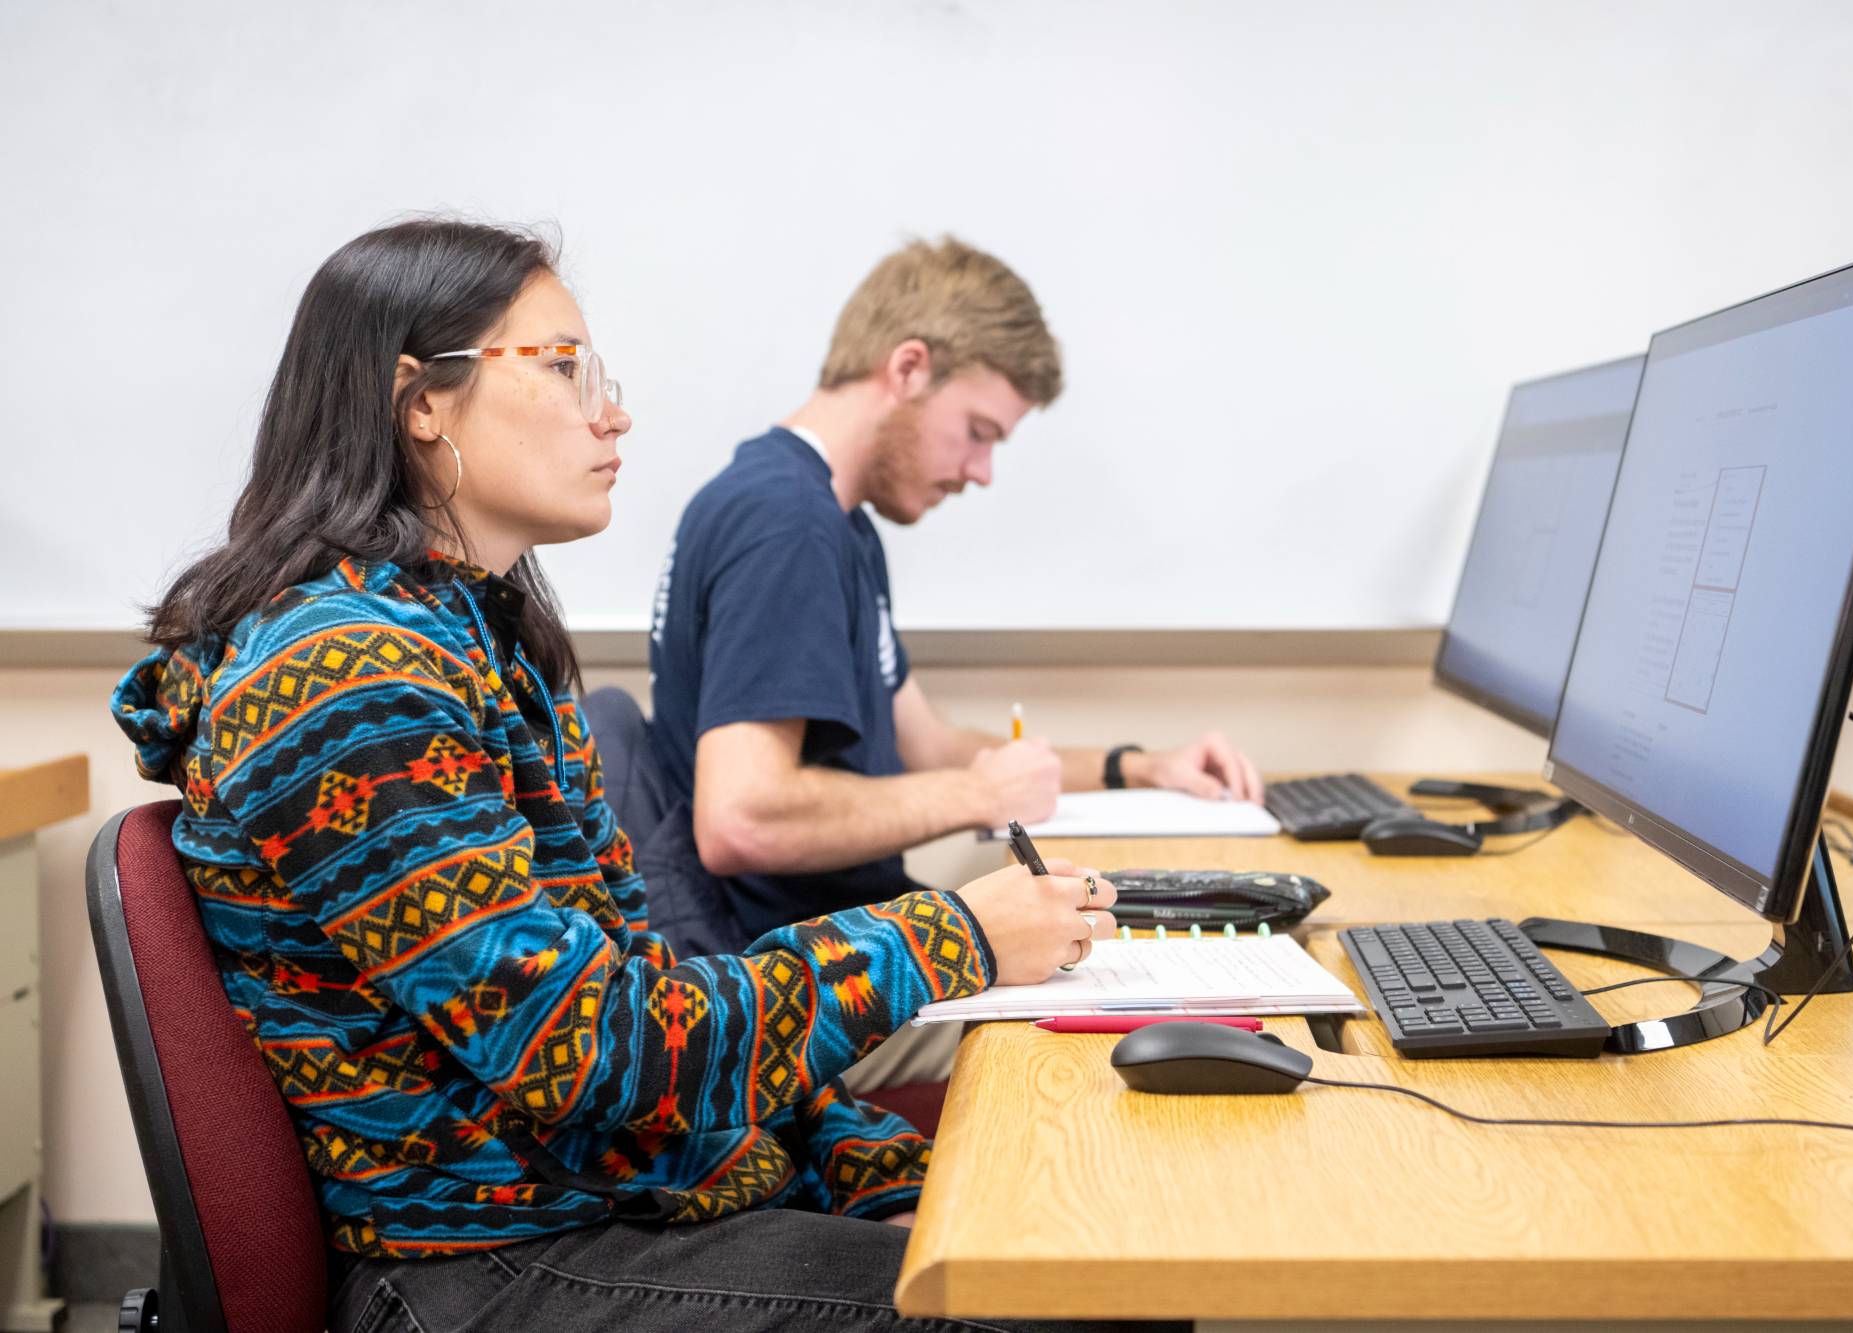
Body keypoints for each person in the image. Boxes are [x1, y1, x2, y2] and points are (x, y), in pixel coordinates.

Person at [112, 218, 1163, 1333]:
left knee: (1067, 1259)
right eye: (563, 368)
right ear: (419, 400)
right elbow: (602, 1047)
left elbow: (640, 994)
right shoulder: (345, 680)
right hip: (483, 1261)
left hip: (600, 1202)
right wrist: (950, 938)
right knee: (1070, 1301)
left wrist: (881, 1179)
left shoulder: (477, 638)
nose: (610, 410)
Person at [647, 237, 1265, 981]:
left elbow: (930, 745)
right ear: (907, 368)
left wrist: (1136, 766)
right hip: (802, 987)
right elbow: (740, 819)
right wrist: (979, 794)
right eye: (978, 433)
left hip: (860, 948)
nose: (981, 472)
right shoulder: (787, 524)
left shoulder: (836, 523)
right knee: (1128, 998)